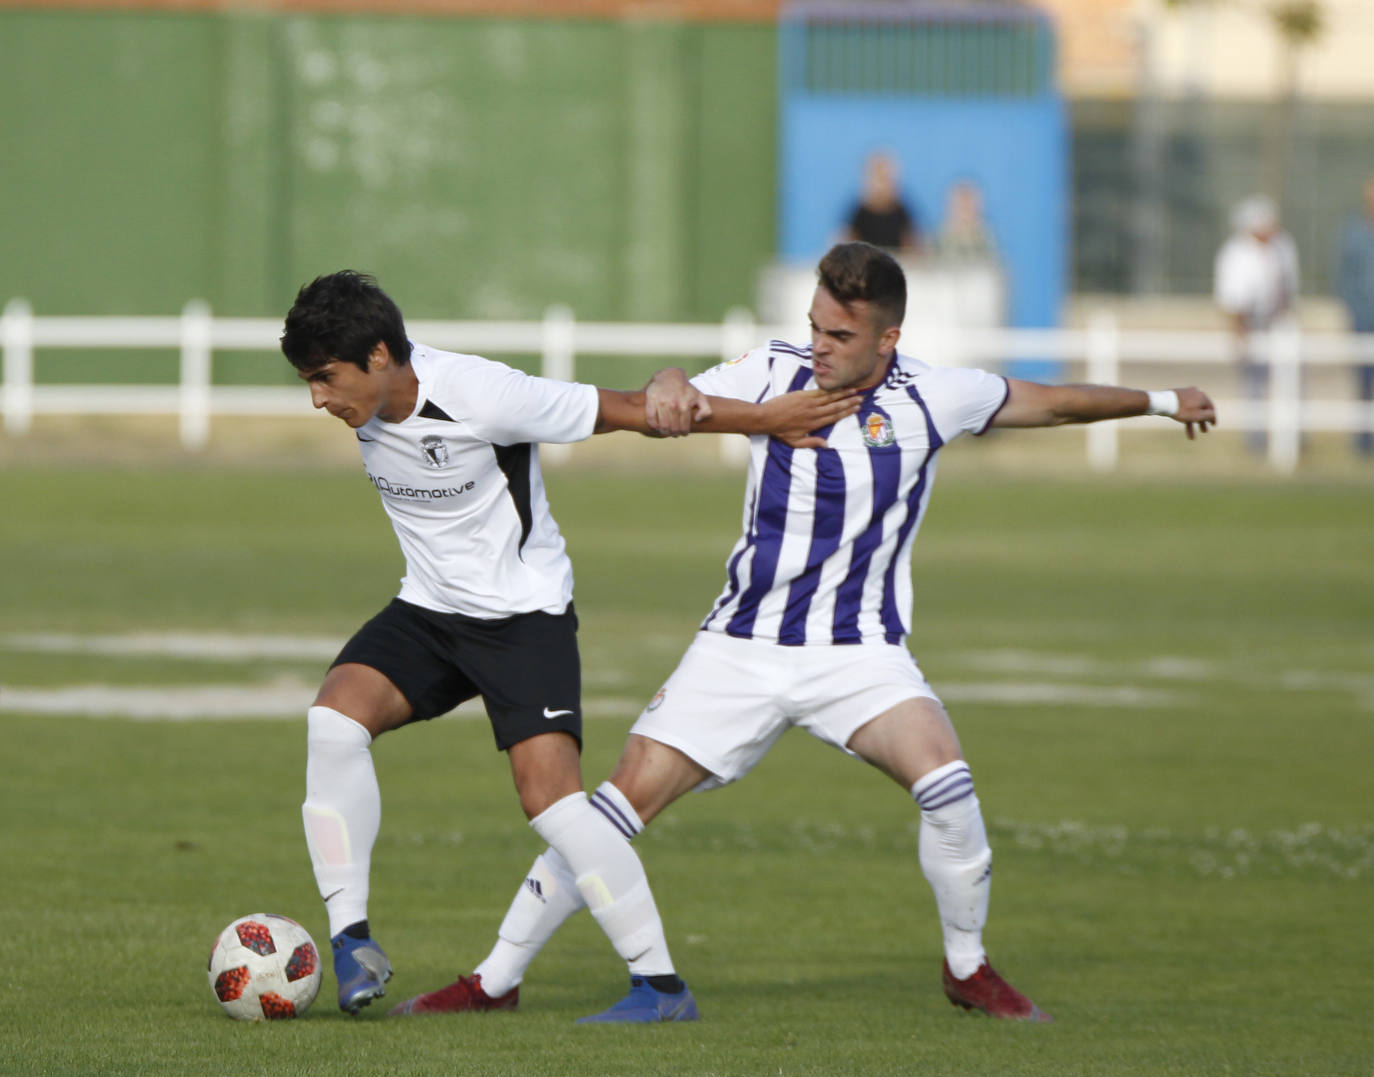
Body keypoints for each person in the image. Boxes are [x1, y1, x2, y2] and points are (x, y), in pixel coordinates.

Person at [387, 243, 1217, 1024]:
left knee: (949, 785)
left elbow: (1053, 402)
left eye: (841, 335)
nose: (819, 345)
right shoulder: (772, 371)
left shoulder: (936, 396)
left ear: (889, 337)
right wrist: (672, 377)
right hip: (739, 649)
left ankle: (966, 967)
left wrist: (1158, 401)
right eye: (816, 325)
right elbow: (678, 395)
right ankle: (495, 981)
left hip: (861, 656)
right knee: (606, 813)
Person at [277, 270, 861, 1020]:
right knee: (333, 721)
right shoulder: (363, 402)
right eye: (308, 384)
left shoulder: (484, 393)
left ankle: (660, 986)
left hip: (524, 617)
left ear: (381, 354)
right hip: (427, 610)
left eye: (326, 380)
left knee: (552, 806)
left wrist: (765, 418)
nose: (320, 401)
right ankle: (351, 940)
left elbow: (630, 413)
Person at [1213, 194, 1300, 454]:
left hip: (1279, 320)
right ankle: (1256, 442)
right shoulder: (1235, 252)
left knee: (1292, 381)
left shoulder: (1283, 246)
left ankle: (1294, 441)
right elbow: (1232, 298)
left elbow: (1289, 286)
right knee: (1254, 386)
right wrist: (1239, 332)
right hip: (1249, 321)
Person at [1334, 174, 1374, 457]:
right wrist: (1354, 311)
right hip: (1363, 318)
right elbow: (1343, 278)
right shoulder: (1352, 233)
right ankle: (1363, 443)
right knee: (1363, 381)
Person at [844, 151, 921, 255]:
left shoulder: (902, 211)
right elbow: (848, 240)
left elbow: (912, 244)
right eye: (878, 178)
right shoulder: (859, 212)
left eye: (886, 177)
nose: (881, 185)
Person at [935, 179, 997, 264]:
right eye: (960, 203)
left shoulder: (986, 240)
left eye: (968, 203)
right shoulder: (939, 239)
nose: (964, 208)